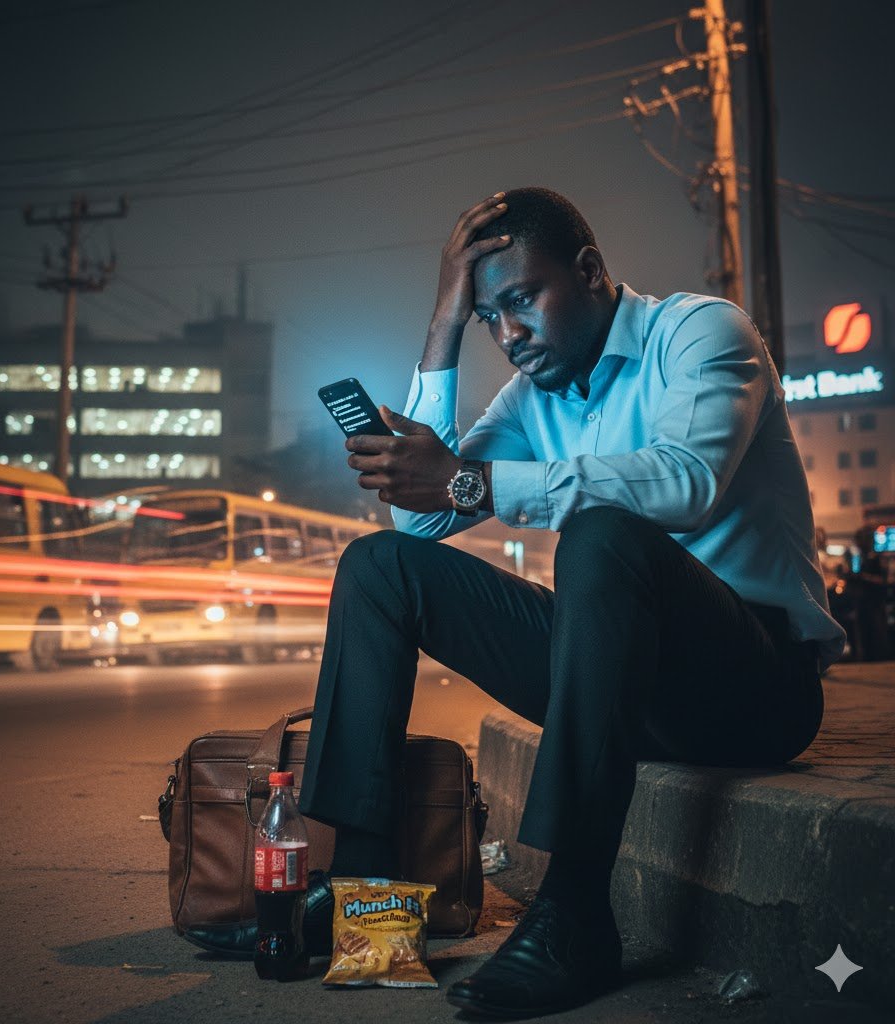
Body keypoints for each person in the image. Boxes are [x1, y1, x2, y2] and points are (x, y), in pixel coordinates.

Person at [203, 187, 846, 1016]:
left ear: (587, 271)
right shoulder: (532, 395)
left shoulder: (700, 332)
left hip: (751, 688)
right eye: (486, 318)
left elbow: (687, 481)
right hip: (618, 674)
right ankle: (369, 900)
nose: (508, 335)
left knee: (601, 533)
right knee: (379, 565)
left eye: (519, 302)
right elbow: (423, 515)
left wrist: (476, 478)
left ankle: (574, 916)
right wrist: (442, 326)